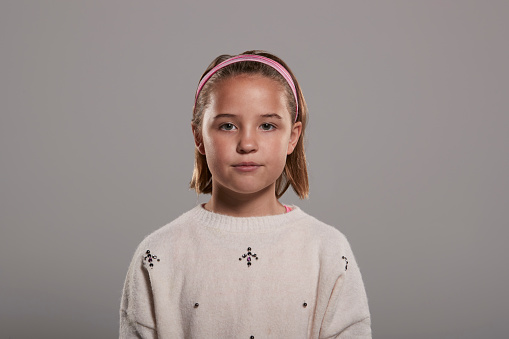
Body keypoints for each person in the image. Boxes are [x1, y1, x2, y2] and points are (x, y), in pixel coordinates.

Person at [119, 50, 371, 338]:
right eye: (228, 125)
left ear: (292, 136)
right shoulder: (159, 254)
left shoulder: (327, 250)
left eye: (267, 125)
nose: (247, 143)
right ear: (199, 137)